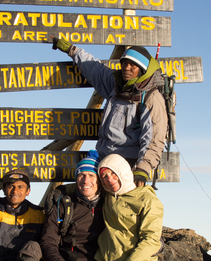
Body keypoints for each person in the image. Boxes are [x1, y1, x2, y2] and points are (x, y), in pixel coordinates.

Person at [51, 37, 168, 187]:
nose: (127, 67)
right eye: (124, 63)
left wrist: (143, 169)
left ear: (142, 69)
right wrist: (71, 49)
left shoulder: (151, 97)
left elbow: (154, 139)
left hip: (127, 167)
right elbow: (94, 68)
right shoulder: (117, 84)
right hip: (104, 161)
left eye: (133, 65)